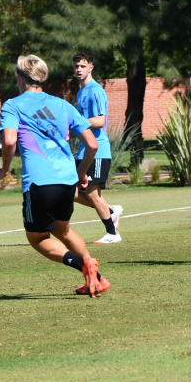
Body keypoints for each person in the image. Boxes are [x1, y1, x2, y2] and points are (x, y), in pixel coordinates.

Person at [0, 54, 110, 297]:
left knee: (37, 238)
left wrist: (4, 169)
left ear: (20, 78)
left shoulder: (13, 105)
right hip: (67, 181)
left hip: (40, 182)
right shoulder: (63, 105)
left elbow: (9, 140)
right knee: (64, 230)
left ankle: (84, 265)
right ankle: (97, 279)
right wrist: (80, 175)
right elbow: (92, 145)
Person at [72, 50, 122, 243]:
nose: (79, 69)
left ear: (91, 68)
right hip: (83, 150)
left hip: (98, 150)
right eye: (76, 66)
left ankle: (112, 233)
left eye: (83, 66)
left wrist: (77, 122)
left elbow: (100, 121)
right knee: (72, 191)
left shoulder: (96, 90)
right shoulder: (80, 91)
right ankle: (110, 211)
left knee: (92, 193)